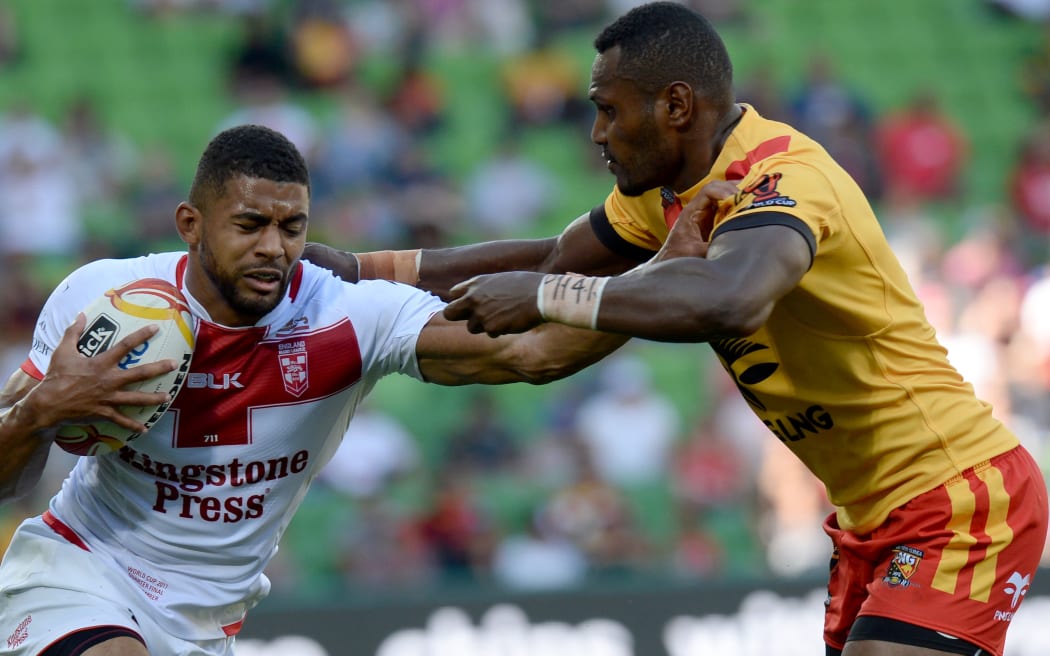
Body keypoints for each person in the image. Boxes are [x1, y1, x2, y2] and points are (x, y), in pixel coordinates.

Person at [301, 3, 1049, 655]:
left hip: (957, 492)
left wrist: (546, 296)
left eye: (608, 108)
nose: (596, 131)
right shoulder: (671, 190)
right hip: (871, 511)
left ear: (677, 106)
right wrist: (357, 272)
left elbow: (729, 298)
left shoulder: (781, 180)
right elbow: (557, 256)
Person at [0, 124, 628, 656]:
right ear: (191, 224)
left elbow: (536, 353)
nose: (273, 248)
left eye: (292, 227)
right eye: (249, 225)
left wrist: (659, 286)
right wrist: (38, 414)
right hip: (81, 573)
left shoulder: (350, 316)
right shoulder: (105, 304)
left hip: (209, 621)